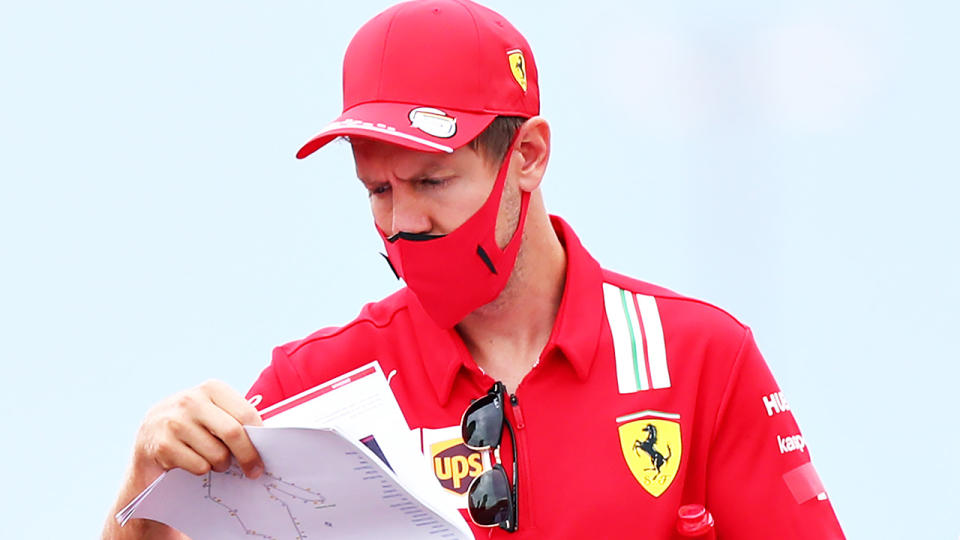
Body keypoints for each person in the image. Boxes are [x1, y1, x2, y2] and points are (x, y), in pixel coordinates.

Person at [102, 1, 845, 538]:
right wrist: (143, 490)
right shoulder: (313, 387)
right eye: (377, 190)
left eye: (430, 183)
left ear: (528, 156)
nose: (403, 223)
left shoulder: (700, 359)